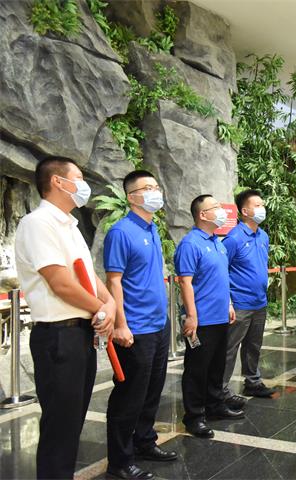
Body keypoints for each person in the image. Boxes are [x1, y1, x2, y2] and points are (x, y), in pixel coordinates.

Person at [15, 157, 116, 479]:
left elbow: (87, 275)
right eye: (79, 178)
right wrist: (101, 308)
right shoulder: (38, 223)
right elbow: (60, 283)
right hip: (59, 336)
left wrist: (110, 302)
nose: (84, 185)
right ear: (58, 181)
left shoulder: (69, 225)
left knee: (72, 422)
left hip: (80, 333)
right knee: (60, 427)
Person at [104, 171, 176, 480]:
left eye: (156, 186)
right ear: (132, 196)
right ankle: (120, 462)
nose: (155, 192)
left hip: (158, 324)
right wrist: (120, 324)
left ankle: (144, 441)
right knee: (129, 395)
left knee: (152, 390)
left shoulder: (152, 229)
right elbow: (114, 281)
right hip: (135, 327)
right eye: (148, 188)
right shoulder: (121, 232)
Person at [175, 195, 241, 440]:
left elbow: (222, 277)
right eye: (216, 207)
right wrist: (191, 316)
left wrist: (229, 304)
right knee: (197, 370)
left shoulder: (217, 242)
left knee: (216, 366)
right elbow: (185, 282)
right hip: (201, 319)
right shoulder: (190, 243)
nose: (222, 210)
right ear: (202, 215)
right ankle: (194, 417)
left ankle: (215, 405)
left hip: (220, 316)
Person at [222, 190, 276, 399]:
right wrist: (228, 302)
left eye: (262, 205)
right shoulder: (233, 238)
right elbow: (222, 270)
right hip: (240, 302)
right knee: (230, 348)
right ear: (245, 211)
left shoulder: (263, 236)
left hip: (259, 301)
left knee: (254, 345)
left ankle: (252, 381)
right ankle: (221, 389)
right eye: (257, 205)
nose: (262, 209)